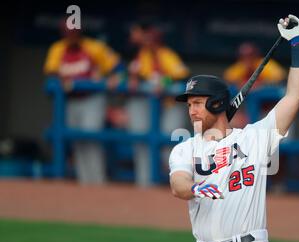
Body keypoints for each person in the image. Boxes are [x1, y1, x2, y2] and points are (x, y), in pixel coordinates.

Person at [168, 14, 299, 242]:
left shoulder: (254, 138)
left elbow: (295, 97)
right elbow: (178, 184)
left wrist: (298, 44)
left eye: (197, 103)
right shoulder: (184, 148)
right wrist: (194, 188)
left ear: (218, 103)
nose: (191, 110)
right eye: (189, 104)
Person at [44, 20, 122, 184]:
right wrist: (60, 78)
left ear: (79, 31)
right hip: (70, 101)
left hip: (92, 99)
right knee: (77, 141)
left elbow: (117, 67)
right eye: (67, 31)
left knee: (91, 138)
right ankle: (84, 183)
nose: (70, 34)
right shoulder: (57, 49)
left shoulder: (94, 47)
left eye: (73, 31)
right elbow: (51, 73)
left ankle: (97, 181)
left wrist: (113, 78)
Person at [125, 24, 190, 187]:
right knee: (142, 142)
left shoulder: (167, 54)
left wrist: (165, 81)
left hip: (169, 106)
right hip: (148, 106)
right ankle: (145, 183)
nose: (149, 43)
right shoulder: (141, 55)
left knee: (170, 141)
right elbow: (135, 74)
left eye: (151, 40)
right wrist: (132, 79)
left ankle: (175, 184)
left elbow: (182, 76)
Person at [224, 42, 286, 129]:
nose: (247, 57)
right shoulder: (239, 67)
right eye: (243, 55)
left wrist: (261, 84)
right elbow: (228, 81)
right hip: (252, 113)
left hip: (272, 111)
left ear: (256, 54)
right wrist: (241, 84)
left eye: (250, 55)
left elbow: (280, 79)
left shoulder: (266, 64)